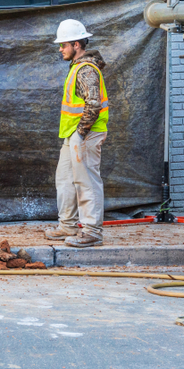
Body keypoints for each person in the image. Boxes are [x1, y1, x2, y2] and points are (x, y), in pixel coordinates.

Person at [45, 19, 109, 248]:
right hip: (73, 134)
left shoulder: (85, 71)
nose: (60, 49)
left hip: (85, 134)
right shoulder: (77, 68)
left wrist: (80, 133)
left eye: (63, 45)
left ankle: (92, 231)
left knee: (87, 182)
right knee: (65, 180)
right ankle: (68, 225)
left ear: (76, 44)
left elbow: (93, 105)